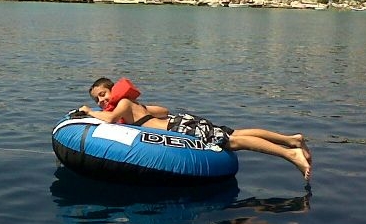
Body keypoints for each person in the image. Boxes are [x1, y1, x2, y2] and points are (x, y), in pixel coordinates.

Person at [78, 77, 312, 182]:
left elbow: (107, 119)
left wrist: (88, 111)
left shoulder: (122, 105)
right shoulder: (134, 105)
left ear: (113, 91)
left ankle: (290, 155)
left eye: (102, 95)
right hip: (182, 121)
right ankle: (292, 140)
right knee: (236, 134)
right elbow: (163, 110)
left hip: (183, 128)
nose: (100, 101)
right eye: (95, 99)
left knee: (235, 142)